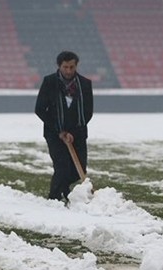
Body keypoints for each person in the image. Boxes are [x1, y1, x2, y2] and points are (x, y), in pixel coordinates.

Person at [35, 51, 93, 202]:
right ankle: (54, 198)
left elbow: (88, 112)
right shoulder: (49, 82)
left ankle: (65, 190)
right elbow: (40, 109)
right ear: (59, 66)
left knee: (78, 169)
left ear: (76, 66)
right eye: (65, 67)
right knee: (61, 167)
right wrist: (60, 131)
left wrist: (72, 132)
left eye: (71, 67)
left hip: (78, 133)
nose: (68, 71)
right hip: (54, 134)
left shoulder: (85, 84)